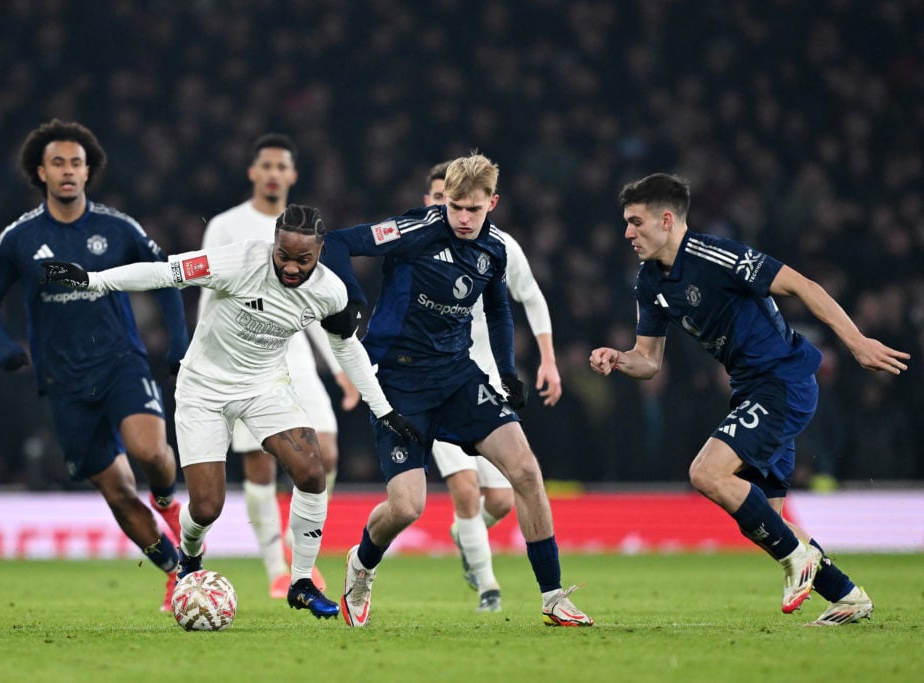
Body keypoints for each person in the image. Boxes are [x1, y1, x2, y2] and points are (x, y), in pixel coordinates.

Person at [40, 204, 421, 620]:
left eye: (303, 259)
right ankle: (189, 558)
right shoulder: (238, 262)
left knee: (312, 470)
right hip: (203, 388)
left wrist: (382, 409)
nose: (291, 267)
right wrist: (94, 280)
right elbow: (164, 271)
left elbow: (346, 347)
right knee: (206, 508)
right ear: (273, 244)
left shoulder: (330, 291)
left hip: (264, 388)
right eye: (283, 256)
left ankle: (301, 582)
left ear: (320, 252)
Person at [589, 173, 910, 625]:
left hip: (782, 382)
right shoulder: (648, 282)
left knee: (706, 473)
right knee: (769, 522)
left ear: (666, 219)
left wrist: (855, 342)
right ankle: (847, 595)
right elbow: (649, 360)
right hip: (752, 390)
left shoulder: (717, 256)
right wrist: (618, 359)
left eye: (635, 222)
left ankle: (796, 559)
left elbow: (803, 286)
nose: (627, 233)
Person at [321, 153, 593, 628]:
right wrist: (353, 303)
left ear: (493, 202)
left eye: (474, 208)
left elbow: (500, 312)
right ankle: (362, 565)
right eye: (455, 207)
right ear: (443, 199)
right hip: (398, 382)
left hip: (457, 378)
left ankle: (553, 596)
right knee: (406, 507)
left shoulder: (496, 250)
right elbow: (338, 244)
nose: (464, 218)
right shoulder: (412, 230)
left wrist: (507, 374)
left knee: (525, 470)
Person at [0, 119, 189, 612]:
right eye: (58, 163)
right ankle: (178, 572)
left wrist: (179, 343)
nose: (68, 171)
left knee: (150, 450)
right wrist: (2, 345)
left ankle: (167, 503)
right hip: (63, 380)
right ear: (41, 172)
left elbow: (167, 277)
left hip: (120, 362)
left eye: (76, 162)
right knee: (115, 490)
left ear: (89, 171)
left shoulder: (118, 228)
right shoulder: (18, 238)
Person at [199, 133, 358, 598]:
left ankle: (295, 546)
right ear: (253, 172)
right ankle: (276, 568)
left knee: (324, 452)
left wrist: (340, 368)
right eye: (265, 165)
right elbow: (208, 294)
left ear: (292, 175)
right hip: (240, 355)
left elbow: (316, 305)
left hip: (295, 352)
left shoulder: (305, 230)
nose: (272, 173)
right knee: (260, 467)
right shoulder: (228, 225)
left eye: (280, 166)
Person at [423, 161, 563, 613]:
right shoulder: (417, 247)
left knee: (502, 497)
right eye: (442, 199)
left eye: (466, 203)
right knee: (464, 487)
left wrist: (548, 360)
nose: (456, 211)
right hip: (440, 380)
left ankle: (468, 536)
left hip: (487, 381)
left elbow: (531, 298)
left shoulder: (501, 248)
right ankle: (488, 588)